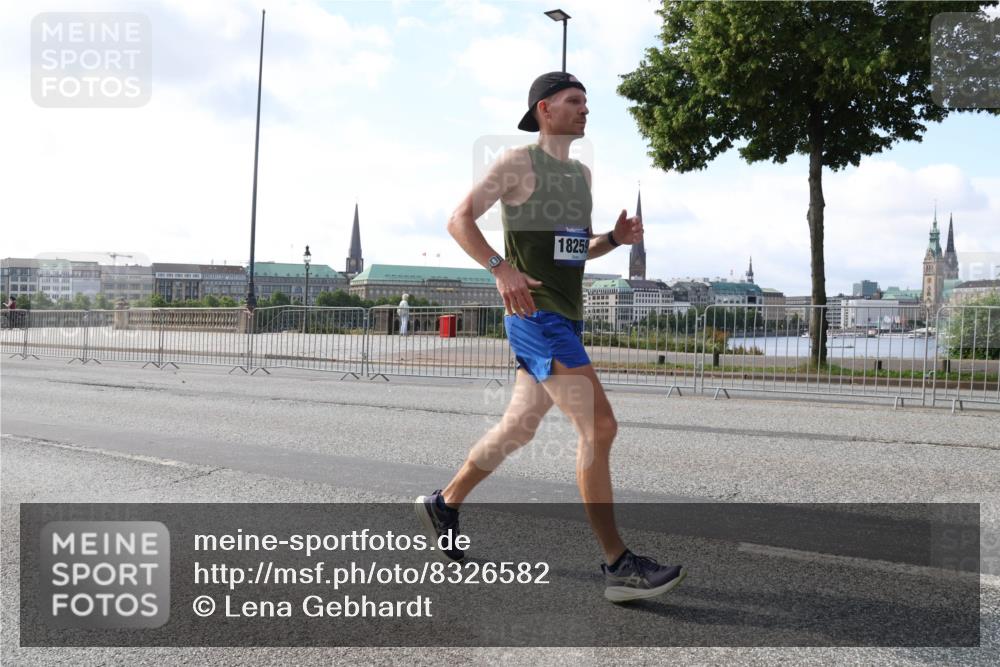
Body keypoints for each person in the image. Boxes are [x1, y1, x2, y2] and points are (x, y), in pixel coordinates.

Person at [415, 71, 685, 602]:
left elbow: (573, 251)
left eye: (587, 101)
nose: (585, 109)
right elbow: (458, 219)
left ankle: (445, 502)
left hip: (566, 313)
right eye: (574, 101)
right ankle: (618, 567)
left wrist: (613, 238)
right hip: (536, 315)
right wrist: (499, 267)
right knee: (600, 427)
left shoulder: (581, 176)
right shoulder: (517, 163)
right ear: (544, 108)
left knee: (518, 428)